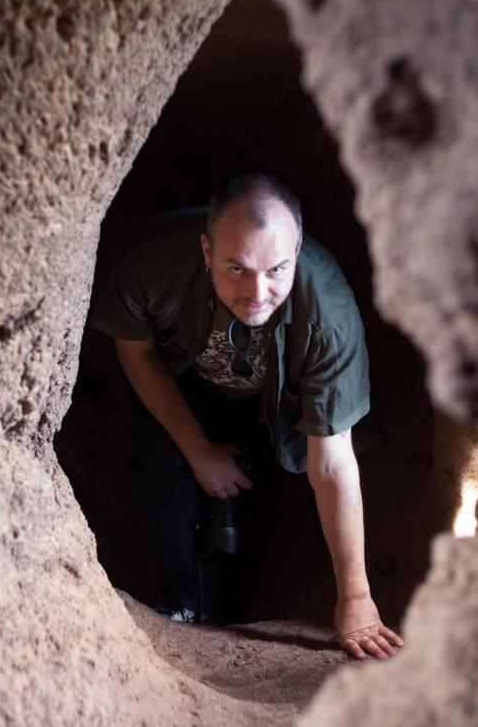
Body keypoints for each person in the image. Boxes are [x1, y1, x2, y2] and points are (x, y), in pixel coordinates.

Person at [91, 174, 403, 660]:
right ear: (207, 250)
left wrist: (357, 600)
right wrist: (198, 453)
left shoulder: (330, 313)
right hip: (181, 378)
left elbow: (332, 464)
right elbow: (137, 353)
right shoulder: (149, 261)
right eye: (236, 268)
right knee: (162, 480)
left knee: (270, 491)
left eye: (276, 268)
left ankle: (239, 590)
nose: (258, 291)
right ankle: (181, 603)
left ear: (297, 250)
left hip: (277, 401)